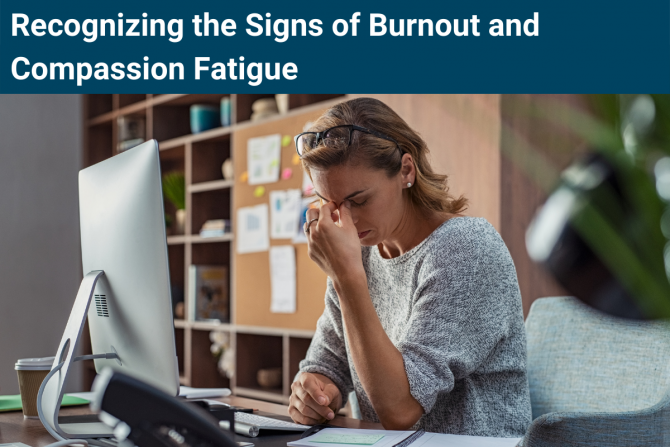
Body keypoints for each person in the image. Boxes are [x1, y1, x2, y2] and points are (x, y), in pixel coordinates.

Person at [288, 97, 531, 437]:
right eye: (331, 204)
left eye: (359, 200)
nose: (346, 220)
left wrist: (346, 277)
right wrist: (313, 391)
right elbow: (328, 363)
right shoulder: (360, 254)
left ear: (406, 170)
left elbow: (400, 409)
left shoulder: (466, 249)